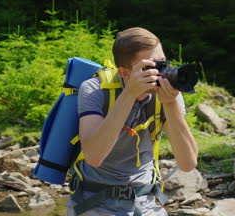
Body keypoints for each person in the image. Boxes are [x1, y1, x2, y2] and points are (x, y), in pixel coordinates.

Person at [66, 27, 198, 216]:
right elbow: (94, 157)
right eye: (151, 67)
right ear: (125, 73)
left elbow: (188, 163)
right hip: (93, 201)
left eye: (162, 64)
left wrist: (170, 104)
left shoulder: (168, 94)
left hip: (145, 200)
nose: (160, 73)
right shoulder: (94, 90)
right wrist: (129, 95)